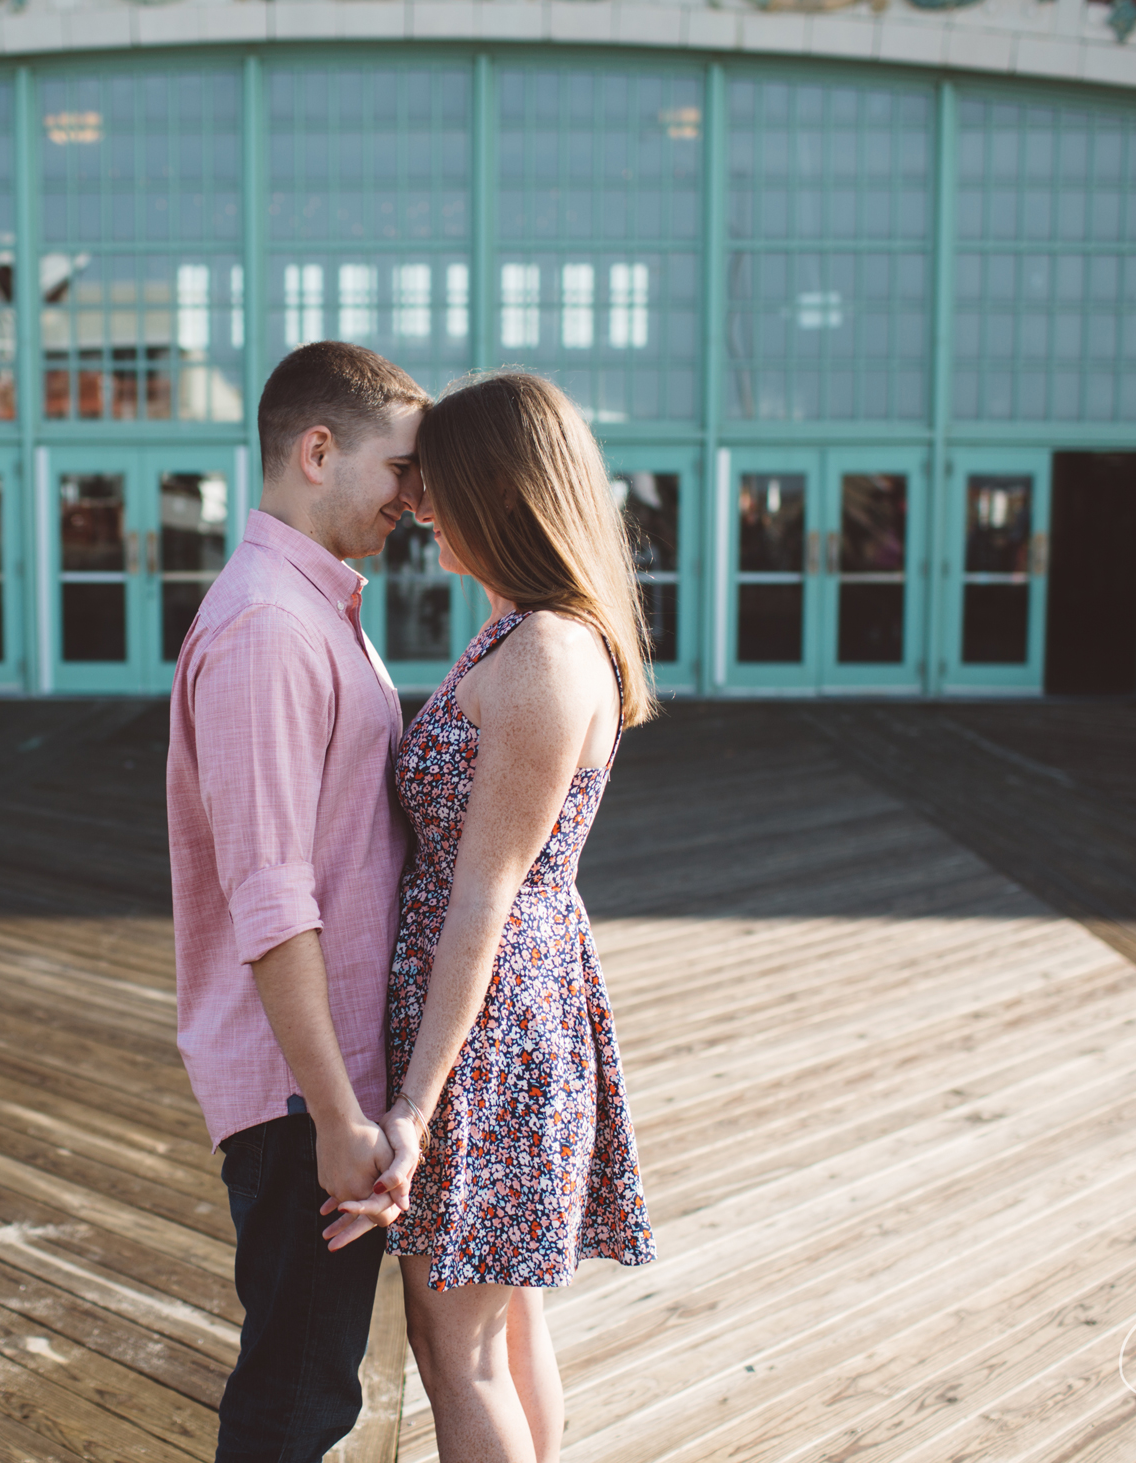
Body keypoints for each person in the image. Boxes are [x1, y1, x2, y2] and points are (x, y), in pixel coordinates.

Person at [327, 370, 659, 1463]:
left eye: (437, 486)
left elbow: (489, 893)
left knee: (453, 1338)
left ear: (500, 493)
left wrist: (414, 1104)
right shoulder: (526, 632)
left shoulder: (542, 656)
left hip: (488, 1023)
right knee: (505, 1314)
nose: (417, 509)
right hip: (504, 1004)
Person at [166, 340, 433, 1463]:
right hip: (299, 1094)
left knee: (308, 1377)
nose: (417, 503)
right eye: (403, 470)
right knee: (297, 1389)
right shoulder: (270, 627)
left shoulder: (313, 607)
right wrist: (336, 1114)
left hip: (317, 1081)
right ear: (318, 450)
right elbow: (271, 898)